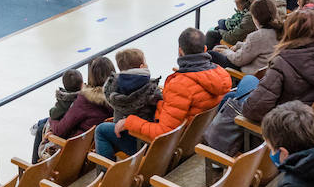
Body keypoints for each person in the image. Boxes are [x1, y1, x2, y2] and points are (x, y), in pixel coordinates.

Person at [98, 28, 234, 160]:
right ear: (205, 49)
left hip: (169, 147)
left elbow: (163, 133)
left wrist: (129, 122)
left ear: (180, 51)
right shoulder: (219, 75)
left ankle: (106, 179)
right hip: (194, 137)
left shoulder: (180, 85)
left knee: (101, 129)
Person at [241, 10, 314, 123]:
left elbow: (253, 110)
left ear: (290, 31)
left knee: (244, 84)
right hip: (313, 120)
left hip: (286, 126)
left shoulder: (282, 62)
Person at [50, 56, 116, 140]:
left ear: (92, 76)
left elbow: (60, 131)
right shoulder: (119, 94)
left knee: (43, 128)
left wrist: (51, 120)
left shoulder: (85, 100)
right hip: (106, 142)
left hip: (81, 146)